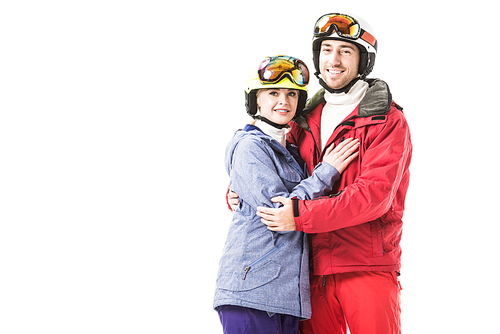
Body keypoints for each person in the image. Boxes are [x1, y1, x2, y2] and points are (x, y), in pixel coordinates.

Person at [230, 13, 412, 334]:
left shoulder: (385, 120)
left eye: (345, 50)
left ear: (363, 60)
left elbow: (373, 197)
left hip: (365, 267)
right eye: (327, 48)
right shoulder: (303, 119)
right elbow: (279, 172)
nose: (334, 59)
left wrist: (298, 215)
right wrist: (242, 187)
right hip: (308, 273)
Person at [214, 55, 360, 334]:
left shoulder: (290, 152)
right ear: (256, 99)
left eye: (292, 93)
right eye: (273, 93)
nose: (284, 101)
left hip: (286, 298)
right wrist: (326, 171)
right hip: (251, 294)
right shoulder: (249, 147)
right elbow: (279, 210)